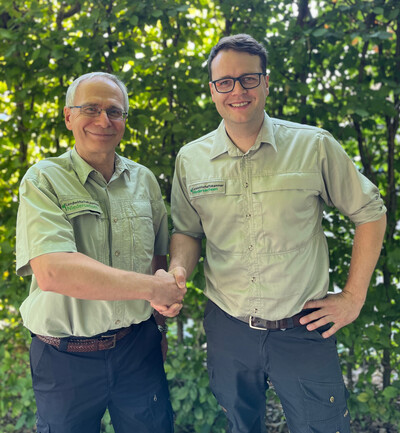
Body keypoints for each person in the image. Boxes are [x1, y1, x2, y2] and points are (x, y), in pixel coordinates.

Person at [165, 34, 387, 433]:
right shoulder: (191, 159)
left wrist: (353, 297)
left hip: (304, 326)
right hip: (228, 325)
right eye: (225, 82)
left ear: (266, 83)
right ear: (213, 90)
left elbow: (370, 212)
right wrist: (179, 270)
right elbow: (187, 231)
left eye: (249, 79)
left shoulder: (313, 146)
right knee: (239, 426)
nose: (238, 90)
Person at [16, 72, 185, 433]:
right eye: (90, 108)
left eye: (114, 111)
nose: (103, 120)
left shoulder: (144, 180)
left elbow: (157, 263)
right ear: (68, 117)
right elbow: (53, 272)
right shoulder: (43, 179)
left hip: (137, 349)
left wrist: (160, 322)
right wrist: (153, 289)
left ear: (125, 120)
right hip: (65, 359)